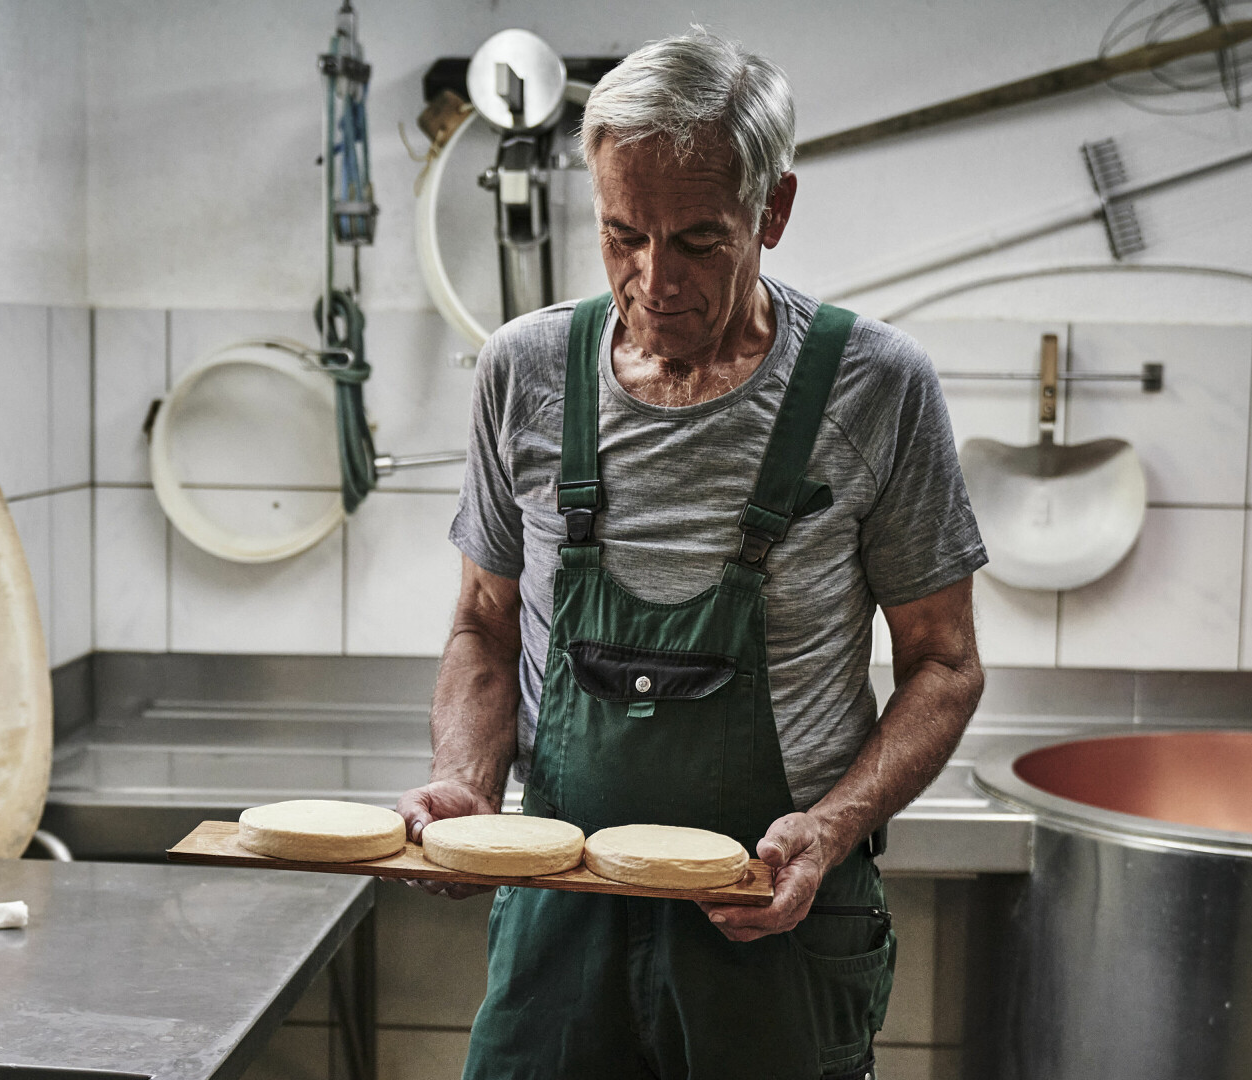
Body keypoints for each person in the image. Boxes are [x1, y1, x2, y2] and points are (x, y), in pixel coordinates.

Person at [396, 28, 987, 1080]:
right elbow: (483, 623)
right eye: (623, 235)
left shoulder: (878, 386)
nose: (653, 279)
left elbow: (944, 660)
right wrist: (465, 786)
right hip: (561, 922)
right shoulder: (523, 370)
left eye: (700, 242)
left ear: (775, 211)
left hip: (773, 918)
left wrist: (834, 827)